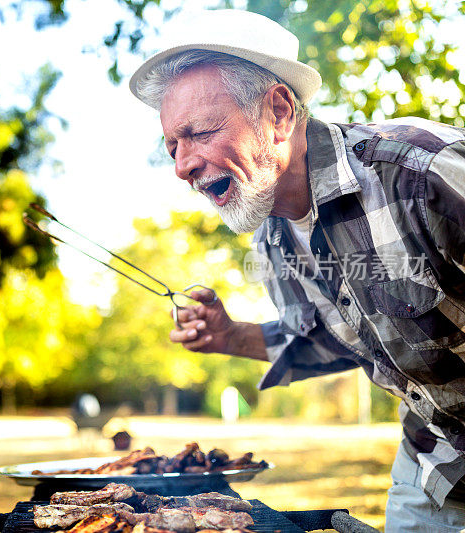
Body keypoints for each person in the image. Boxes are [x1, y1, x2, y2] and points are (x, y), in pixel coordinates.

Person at [127, 9, 465, 532]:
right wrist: (232, 336)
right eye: (173, 145)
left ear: (279, 112)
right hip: (433, 457)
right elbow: (352, 337)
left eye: (200, 132)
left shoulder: (420, 174)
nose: (182, 165)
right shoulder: (271, 235)